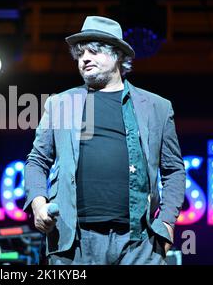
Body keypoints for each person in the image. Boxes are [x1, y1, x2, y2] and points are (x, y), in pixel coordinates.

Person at [23, 16, 186, 265]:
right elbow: (37, 160)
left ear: (118, 55)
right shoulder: (61, 104)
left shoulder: (157, 107)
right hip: (74, 243)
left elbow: (174, 170)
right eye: (80, 53)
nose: (84, 58)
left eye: (94, 51)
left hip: (139, 243)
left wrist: (166, 221)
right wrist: (37, 202)